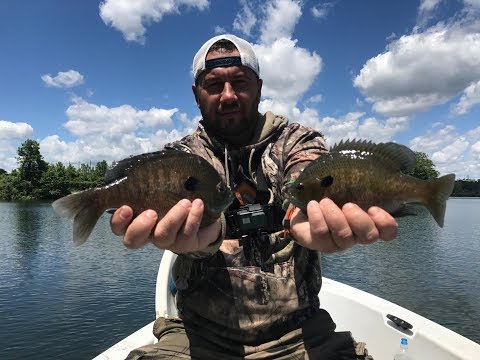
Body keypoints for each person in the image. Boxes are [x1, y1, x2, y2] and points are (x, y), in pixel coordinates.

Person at [110, 34, 398, 359]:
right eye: (214, 84)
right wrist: (203, 240)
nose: (228, 95)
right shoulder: (180, 158)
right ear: (196, 93)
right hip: (198, 336)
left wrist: (306, 209)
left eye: (240, 82)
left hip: (301, 334)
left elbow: (307, 171)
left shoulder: (296, 140)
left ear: (259, 87)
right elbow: (193, 219)